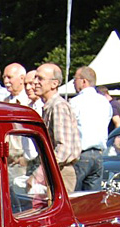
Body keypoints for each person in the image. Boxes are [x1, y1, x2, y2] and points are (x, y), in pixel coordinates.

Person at [35, 63, 80, 193]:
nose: (35, 82)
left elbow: (63, 149)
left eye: (40, 79)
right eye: (35, 78)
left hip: (61, 173)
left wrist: (41, 172)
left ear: (54, 84)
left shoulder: (58, 106)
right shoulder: (50, 106)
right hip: (55, 171)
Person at [69, 66, 111, 191]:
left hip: (81, 154)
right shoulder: (104, 102)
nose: (73, 83)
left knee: (75, 198)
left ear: (84, 81)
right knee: (92, 200)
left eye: (75, 79)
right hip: (98, 155)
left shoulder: (76, 102)